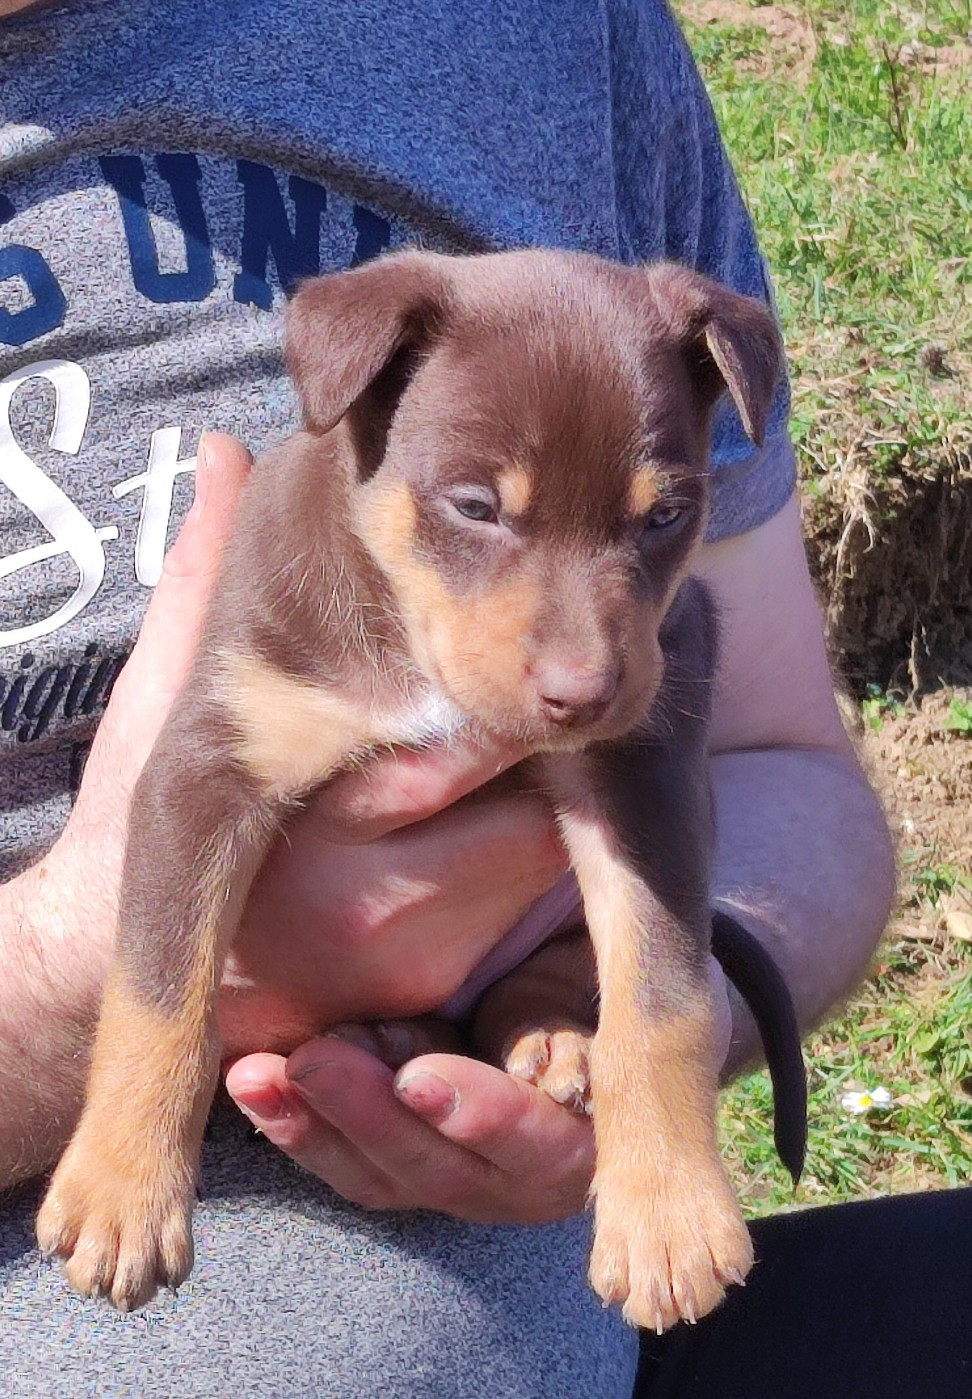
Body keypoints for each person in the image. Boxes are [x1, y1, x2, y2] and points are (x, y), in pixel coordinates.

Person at [0, 0, 894, 1394]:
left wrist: (644, 1026)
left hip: (462, 1195)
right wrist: (91, 1010)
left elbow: (766, 757)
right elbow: (200, 797)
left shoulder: (564, 30)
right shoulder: (313, 588)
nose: (582, 658)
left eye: (655, 530)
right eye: (480, 511)